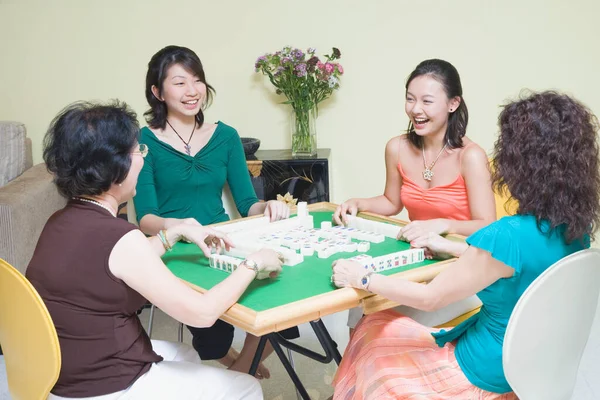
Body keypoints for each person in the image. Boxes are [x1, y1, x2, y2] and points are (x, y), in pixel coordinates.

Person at [331, 90, 600, 399]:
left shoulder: (506, 234)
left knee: (373, 327)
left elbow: (430, 298)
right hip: (532, 363)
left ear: (522, 162)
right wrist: (453, 247)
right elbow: (515, 263)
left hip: (480, 370)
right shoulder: (574, 228)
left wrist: (361, 277)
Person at [26, 101, 284, 399]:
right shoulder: (120, 236)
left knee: (184, 354)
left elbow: (114, 262)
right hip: (104, 385)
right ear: (114, 167)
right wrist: (252, 264)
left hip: (62, 368)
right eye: (139, 152)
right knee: (247, 387)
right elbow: (201, 314)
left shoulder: (60, 221)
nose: (142, 160)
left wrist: (171, 234)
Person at [133, 45, 294, 377]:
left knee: (282, 294)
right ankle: (238, 368)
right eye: (179, 83)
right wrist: (181, 226)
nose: (192, 91)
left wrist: (270, 206)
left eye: (197, 80)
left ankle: (239, 372)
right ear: (156, 92)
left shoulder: (226, 136)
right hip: (176, 250)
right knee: (214, 336)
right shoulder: (144, 141)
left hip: (225, 241)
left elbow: (248, 204)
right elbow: (146, 218)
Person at [334, 59, 496, 328]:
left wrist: (442, 225)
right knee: (361, 308)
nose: (415, 109)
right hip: (417, 261)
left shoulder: (472, 156)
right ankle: (363, 369)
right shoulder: (396, 147)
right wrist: (357, 202)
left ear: (453, 103)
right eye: (410, 99)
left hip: (462, 268)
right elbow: (391, 202)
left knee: (381, 323)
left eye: (427, 101)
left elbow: (488, 226)